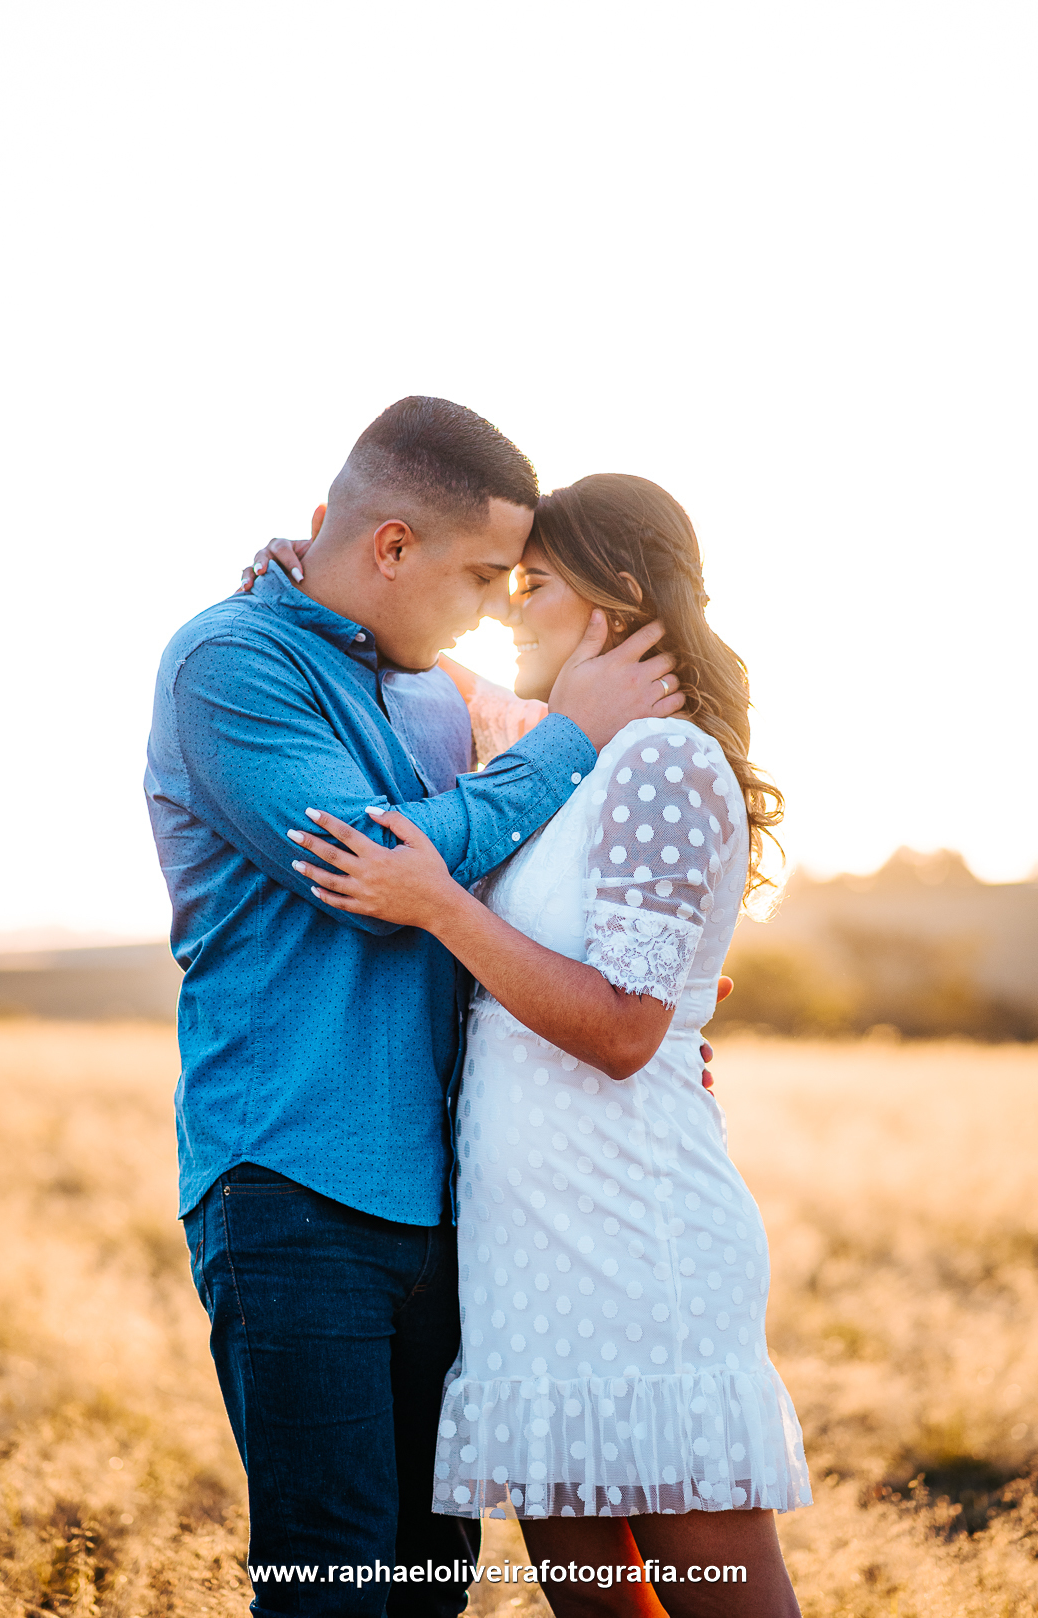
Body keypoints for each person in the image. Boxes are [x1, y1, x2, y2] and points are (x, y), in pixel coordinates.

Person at [145, 399, 689, 1618]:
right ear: (392, 547)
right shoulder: (229, 664)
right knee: (332, 1573)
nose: (500, 605)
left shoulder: (450, 696)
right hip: (290, 1183)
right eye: (485, 574)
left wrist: (661, 1041)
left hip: (448, 1206)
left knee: (431, 1580)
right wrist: (571, 741)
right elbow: (381, 877)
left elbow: (522, 891)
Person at [283, 474, 810, 1618]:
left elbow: (625, 1029)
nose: (507, 610)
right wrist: (311, 576)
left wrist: (439, 903)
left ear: (616, 602)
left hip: (631, 1242)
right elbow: (451, 671)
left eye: (534, 587)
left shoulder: (666, 761)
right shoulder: (568, 761)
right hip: (528, 1264)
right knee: (599, 1609)